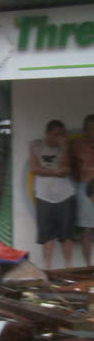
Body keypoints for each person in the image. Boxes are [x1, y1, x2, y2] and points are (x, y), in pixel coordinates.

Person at [29, 119, 76, 269]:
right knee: (46, 234)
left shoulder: (66, 146)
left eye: (62, 134)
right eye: (56, 134)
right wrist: (55, 172)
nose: (59, 138)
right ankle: (48, 268)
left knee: (67, 234)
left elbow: (67, 169)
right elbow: (34, 168)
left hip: (66, 194)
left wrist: (64, 149)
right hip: (43, 195)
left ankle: (69, 267)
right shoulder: (36, 145)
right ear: (48, 133)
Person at [71, 114, 94, 266]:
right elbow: (71, 166)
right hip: (84, 185)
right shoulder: (77, 144)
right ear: (85, 130)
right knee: (87, 228)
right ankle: (88, 266)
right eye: (90, 129)